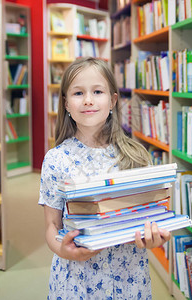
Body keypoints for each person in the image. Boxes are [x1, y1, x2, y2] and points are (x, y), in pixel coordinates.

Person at [39, 57, 171, 300]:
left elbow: (151, 217)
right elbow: (52, 226)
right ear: (66, 103)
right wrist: (64, 250)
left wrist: (155, 238)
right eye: (78, 93)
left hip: (129, 277)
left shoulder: (136, 156)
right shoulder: (56, 159)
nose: (88, 100)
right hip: (77, 279)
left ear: (112, 100)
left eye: (97, 91)